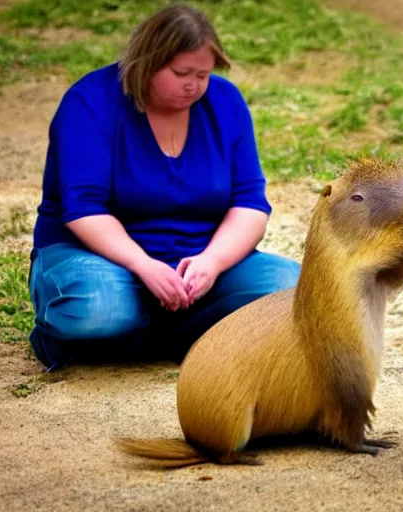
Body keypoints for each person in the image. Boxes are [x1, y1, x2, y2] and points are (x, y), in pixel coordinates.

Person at [28, 3, 301, 371]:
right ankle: (162, 331)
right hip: (100, 260)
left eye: (203, 75)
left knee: (292, 287)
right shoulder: (89, 102)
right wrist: (144, 265)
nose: (193, 84)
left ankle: (157, 333)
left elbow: (250, 204)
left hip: (195, 269)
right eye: (181, 72)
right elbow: (83, 209)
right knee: (99, 309)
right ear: (147, 62)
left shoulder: (226, 103)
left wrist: (212, 263)